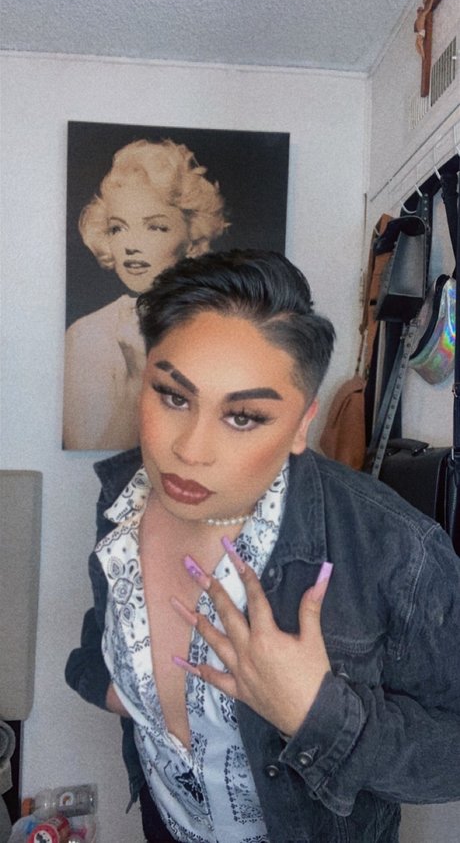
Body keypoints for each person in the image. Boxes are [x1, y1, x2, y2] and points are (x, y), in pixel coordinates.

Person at [66, 250, 460, 843]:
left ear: (301, 425)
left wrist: (318, 716)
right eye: (173, 396)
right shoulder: (122, 504)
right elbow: (102, 633)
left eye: (244, 416)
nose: (189, 450)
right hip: (166, 825)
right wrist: (120, 692)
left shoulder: (398, 551)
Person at [63, 139, 227, 451]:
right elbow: (90, 462)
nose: (131, 245)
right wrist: (138, 375)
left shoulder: (226, 330)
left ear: (193, 241)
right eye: (118, 228)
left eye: (155, 227)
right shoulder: (87, 335)